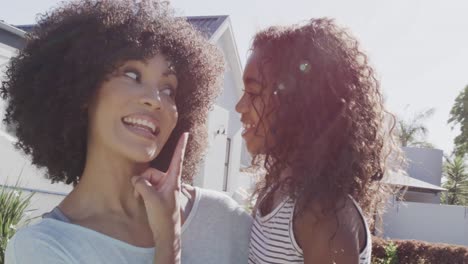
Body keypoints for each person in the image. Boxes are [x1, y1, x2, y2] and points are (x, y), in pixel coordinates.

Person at [2, 1, 251, 263]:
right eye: (132, 75)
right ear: (83, 90)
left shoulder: (223, 218)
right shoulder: (42, 248)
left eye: (169, 89)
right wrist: (168, 242)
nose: (155, 100)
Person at [236, 18, 393, 264]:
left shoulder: (323, 215)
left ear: (298, 103)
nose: (240, 106)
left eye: (254, 93)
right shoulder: (275, 192)